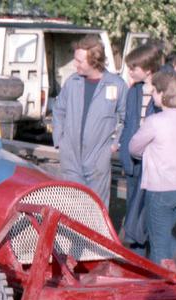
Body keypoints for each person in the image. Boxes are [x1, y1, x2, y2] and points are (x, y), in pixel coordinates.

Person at [129, 70, 176, 264]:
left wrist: (148, 152)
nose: (151, 95)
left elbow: (134, 148)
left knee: (158, 243)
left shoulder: (154, 121)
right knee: (164, 234)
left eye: (154, 92)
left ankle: (166, 285)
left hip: (162, 190)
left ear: (162, 94)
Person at [52, 35, 127, 207]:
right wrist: (59, 141)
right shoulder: (72, 82)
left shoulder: (116, 85)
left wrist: (115, 144)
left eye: (79, 61)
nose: (75, 64)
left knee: (95, 207)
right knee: (71, 207)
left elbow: (125, 118)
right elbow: (59, 110)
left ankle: (94, 235)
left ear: (94, 61)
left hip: (98, 158)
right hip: (70, 156)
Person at [118, 43, 162, 249]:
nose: (129, 71)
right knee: (131, 206)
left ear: (148, 69)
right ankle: (135, 253)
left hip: (152, 161)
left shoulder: (163, 93)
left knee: (147, 210)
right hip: (132, 160)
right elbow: (128, 123)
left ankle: (149, 252)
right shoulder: (133, 91)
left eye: (133, 68)